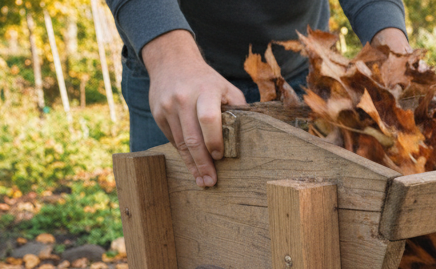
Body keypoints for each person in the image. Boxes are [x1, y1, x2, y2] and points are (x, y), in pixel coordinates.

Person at [104, 0, 411, 188]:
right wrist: (169, 53)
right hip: (175, 77)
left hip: (301, 76)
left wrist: (395, 52)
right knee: (170, 250)